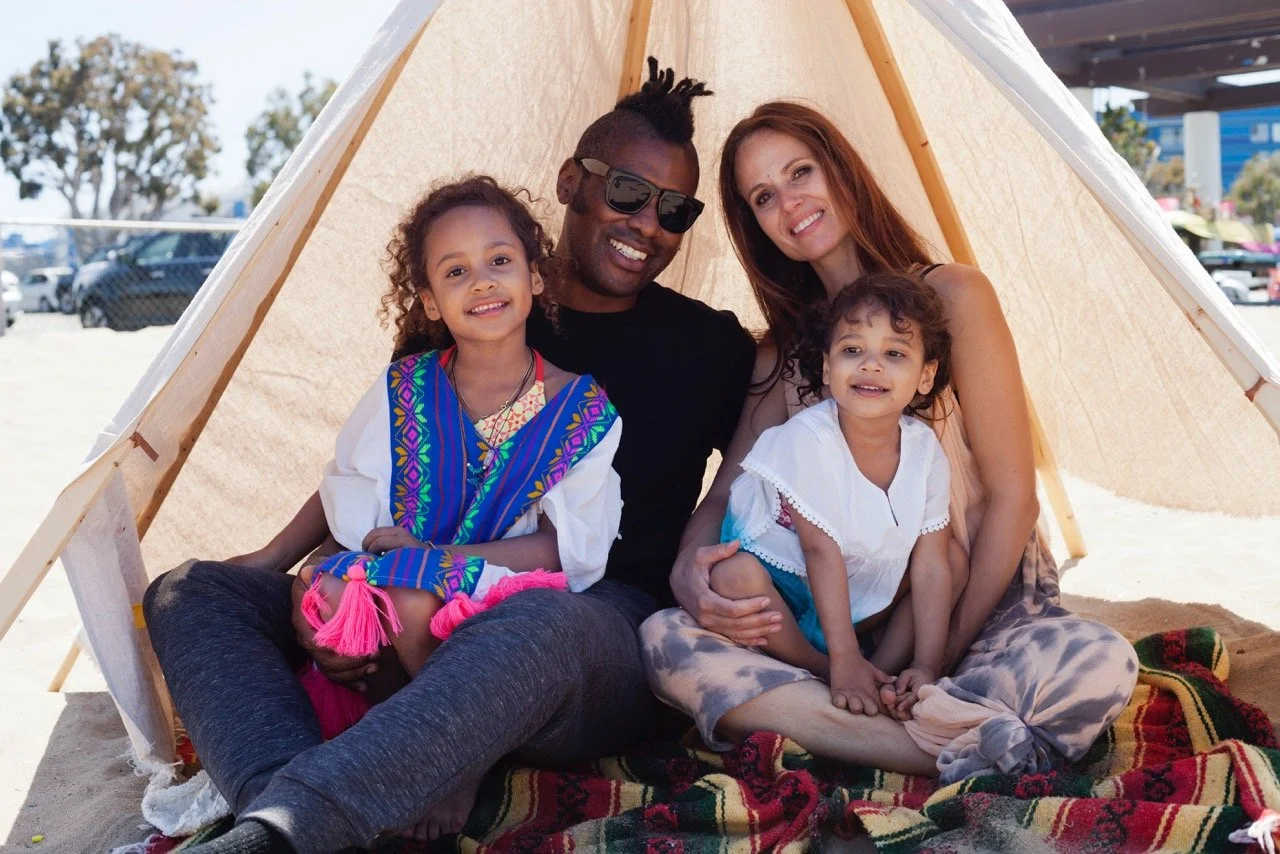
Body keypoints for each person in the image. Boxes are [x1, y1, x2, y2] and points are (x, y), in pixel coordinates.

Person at [144, 59, 755, 853]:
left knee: (533, 622)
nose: (648, 224)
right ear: (572, 181)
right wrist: (291, 569)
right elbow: (381, 460)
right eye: (629, 192)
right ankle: (283, 806)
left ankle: (303, 818)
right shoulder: (464, 322)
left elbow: (809, 421)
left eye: (675, 210)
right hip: (409, 585)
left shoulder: (711, 346)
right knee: (191, 592)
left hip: (591, 622)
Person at [642, 101, 1138, 783]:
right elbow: (726, 492)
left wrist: (936, 659)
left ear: (841, 169)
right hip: (837, 634)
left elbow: (1013, 498)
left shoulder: (954, 296)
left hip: (980, 607)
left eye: (800, 172)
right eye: (764, 197)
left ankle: (862, 728)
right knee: (665, 640)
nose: (790, 203)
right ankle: (929, 746)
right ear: (756, 225)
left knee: (1099, 661)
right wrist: (686, 570)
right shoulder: (784, 355)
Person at [291, 176, 622, 735]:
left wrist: (436, 557)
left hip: (503, 589)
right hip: (398, 582)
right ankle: (387, 732)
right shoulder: (403, 389)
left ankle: (450, 747)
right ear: (430, 301)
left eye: (500, 261)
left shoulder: (580, 410)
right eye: (455, 272)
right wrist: (304, 570)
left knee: (414, 594)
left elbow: (559, 549)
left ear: (535, 276)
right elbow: (350, 498)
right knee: (334, 591)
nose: (482, 282)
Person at [708, 271, 962, 721]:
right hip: (781, 588)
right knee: (734, 576)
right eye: (852, 350)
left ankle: (887, 673)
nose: (870, 365)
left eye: (894, 354)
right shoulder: (808, 439)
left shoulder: (924, 450)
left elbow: (930, 564)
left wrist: (928, 663)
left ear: (926, 376)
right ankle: (826, 669)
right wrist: (841, 661)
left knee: (952, 559)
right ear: (828, 368)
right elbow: (818, 552)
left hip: (851, 590)